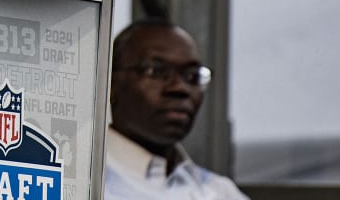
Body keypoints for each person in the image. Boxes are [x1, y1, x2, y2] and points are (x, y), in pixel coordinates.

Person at [105, 18, 249, 200]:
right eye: (156, 71)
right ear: (109, 83)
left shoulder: (218, 192)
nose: (179, 88)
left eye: (192, 75)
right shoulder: (73, 180)